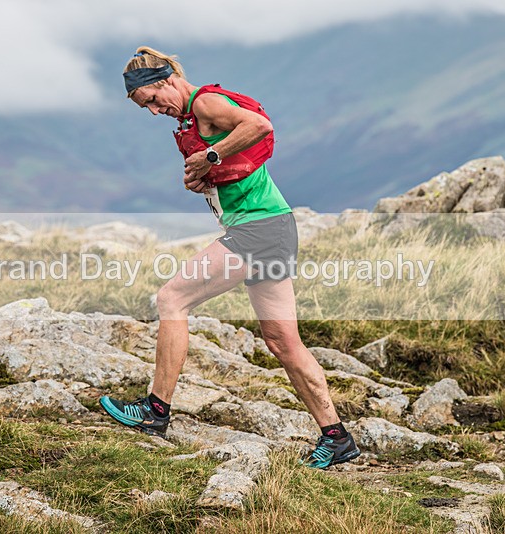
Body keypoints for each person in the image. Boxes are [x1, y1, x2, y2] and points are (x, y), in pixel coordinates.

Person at [99, 46, 360, 469]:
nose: (153, 112)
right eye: (144, 108)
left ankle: (155, 411)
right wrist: (204, 176)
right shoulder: (191, 116)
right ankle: (337, 437)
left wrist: (210, 157)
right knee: (282, 342)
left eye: (150, 100)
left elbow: (258, 124)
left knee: (172, 299)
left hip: (258, 230)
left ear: (164, 81)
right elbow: (227, 161)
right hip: (273, 227)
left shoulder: (204, 102)